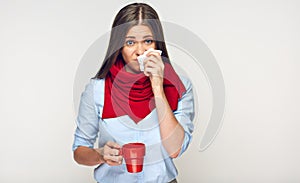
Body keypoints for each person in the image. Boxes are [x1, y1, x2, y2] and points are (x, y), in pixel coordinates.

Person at [72, 2, 194, 183]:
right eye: (130, 42)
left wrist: (158, 87)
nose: (140, 51)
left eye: (147, 41)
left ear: (157, 44)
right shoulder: (97, 90)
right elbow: (79, 151)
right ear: (119, 47)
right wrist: (100, 155)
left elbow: (175, 149)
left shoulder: (179, 86)